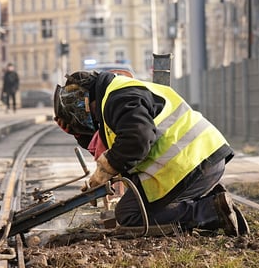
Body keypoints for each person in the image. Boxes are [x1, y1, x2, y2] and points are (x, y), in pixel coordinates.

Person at [53, 70, 248, 236]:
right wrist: (79, 134)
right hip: (200, 161)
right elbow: (112, 141)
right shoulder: (113, 95)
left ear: (85, 100)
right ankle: (214, 203)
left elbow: (137, 140)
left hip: (192, 165)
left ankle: (210, 211)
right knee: (135, 210)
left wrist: (104, 170)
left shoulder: (118, 99)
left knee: (130, 216)